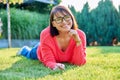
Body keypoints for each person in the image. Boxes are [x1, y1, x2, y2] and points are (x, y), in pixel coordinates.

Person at [17, 5, 87, 70]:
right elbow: (48, 60)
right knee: (29, 54)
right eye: (59, 19)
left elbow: (79, 62)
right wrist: (53, 65)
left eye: (67, 17)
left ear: (72, 18)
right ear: (53, 24)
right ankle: (23, 49)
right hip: (42, 49)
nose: (64, 22)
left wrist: (78, 41)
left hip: (47, 44)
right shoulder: (45, 34)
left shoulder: (80, 35)